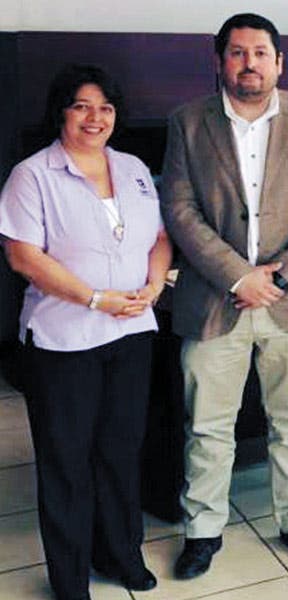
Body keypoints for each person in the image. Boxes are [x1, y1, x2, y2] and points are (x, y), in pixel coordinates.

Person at [160, 12, 288, 579]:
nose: (250, 63)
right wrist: (239, 277)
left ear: (279, 62)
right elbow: (179, 209)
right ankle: (203, 529)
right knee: (207, 426)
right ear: (220, 61)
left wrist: (277, 278)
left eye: (261, 52)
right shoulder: (187, 122)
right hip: (214, 301)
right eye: (238, 52)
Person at [0, 64, 171, 600]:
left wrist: (154, 285)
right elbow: (23, 256)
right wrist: (95, 298)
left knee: (120, 451)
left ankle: (121, 554)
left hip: (132, 333)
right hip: (64, 340)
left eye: (106, 108)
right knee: (66, 460)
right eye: (82, 106)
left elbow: (159, 237)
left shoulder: (133, 168)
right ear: (61, 112)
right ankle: (70, 577)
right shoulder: (33, 175)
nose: (95, 118)